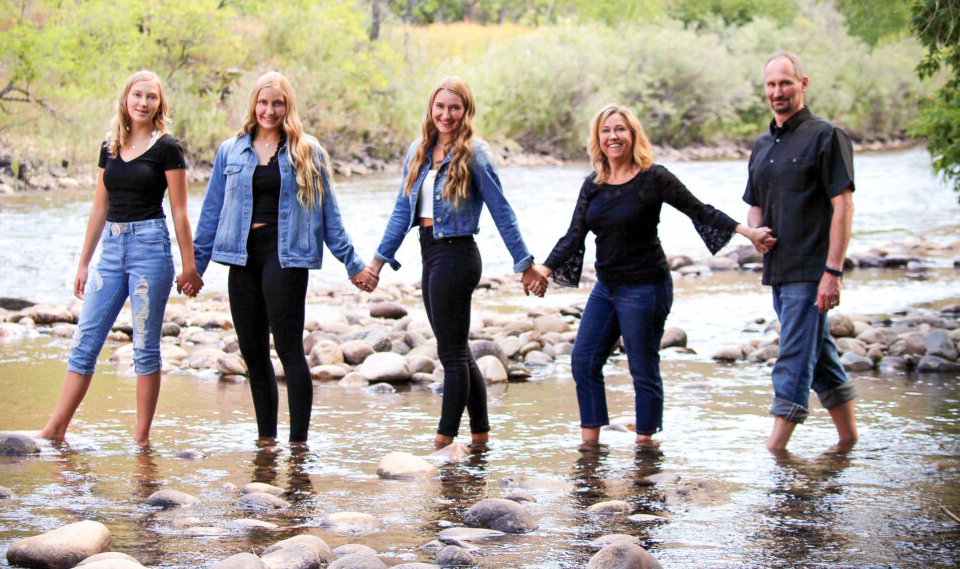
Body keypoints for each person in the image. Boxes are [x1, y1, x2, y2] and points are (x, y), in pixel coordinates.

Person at [531, 104, 775, 449]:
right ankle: (590, 448)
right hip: (607, 288)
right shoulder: (594, 185)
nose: (612, 136)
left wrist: (746, 232)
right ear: (597, 139)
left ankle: (645, 450)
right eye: (605, 130)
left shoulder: (653, 177)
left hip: (647, 287)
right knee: (583, 361)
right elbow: (574, 236)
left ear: (633, 135)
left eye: (620, 129)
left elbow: (699, 209)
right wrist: (544, 268)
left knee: (642, 370)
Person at [193, 71, 375, 447]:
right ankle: (266, 441)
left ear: (287, 106)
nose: (269, 110)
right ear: (253, 105)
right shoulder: (231, 150)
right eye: (263, 102)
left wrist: (352, 263)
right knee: (252, 351)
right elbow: (212, 211)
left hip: (285, 256)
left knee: (289, 348)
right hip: (241, 258)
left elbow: (329, 215)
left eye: (277, 103)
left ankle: (298, 444)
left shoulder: (307, 151)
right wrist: (196, 266)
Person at [367, 76, 546, 450]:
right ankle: (479, 434)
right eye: (440, 107)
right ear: (430, 109)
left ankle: (444, 439)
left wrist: (524, 263)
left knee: (450, 355)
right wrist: (378, 261)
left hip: (458, 255)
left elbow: (502, 211)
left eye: (455, 108)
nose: (446, 115)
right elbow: (402, 212)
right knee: (459, 351)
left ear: (466, 111)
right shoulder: (418, 151)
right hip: (429, 252)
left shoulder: (475, 154)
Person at [37, 70, 202, 446]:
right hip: (110, 250)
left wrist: (188, 264)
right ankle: (54, 430)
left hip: (150, 248)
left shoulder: (167, 148)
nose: (143, 103)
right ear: (126, 99)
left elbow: (179, 212)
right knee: (85, 341)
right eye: (137, 96)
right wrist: (83, 262)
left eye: (152, 97)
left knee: (145, 347)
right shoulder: (110, 146)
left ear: (160, 104)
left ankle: (141, 439)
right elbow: (99, 207)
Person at [744, 51, 859, 452]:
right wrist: (755, 231)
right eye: (772, 85)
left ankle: (774, 451)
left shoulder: (827, 136)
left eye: (786, 82)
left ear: (803, 84)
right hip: (778, 269)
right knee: (821, 356)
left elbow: (843, 205)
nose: (778, 91)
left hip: (812, 270)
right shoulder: (761, 145)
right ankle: (849, 440)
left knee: (793, 356)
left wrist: (834, 271)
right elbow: (754, 203)